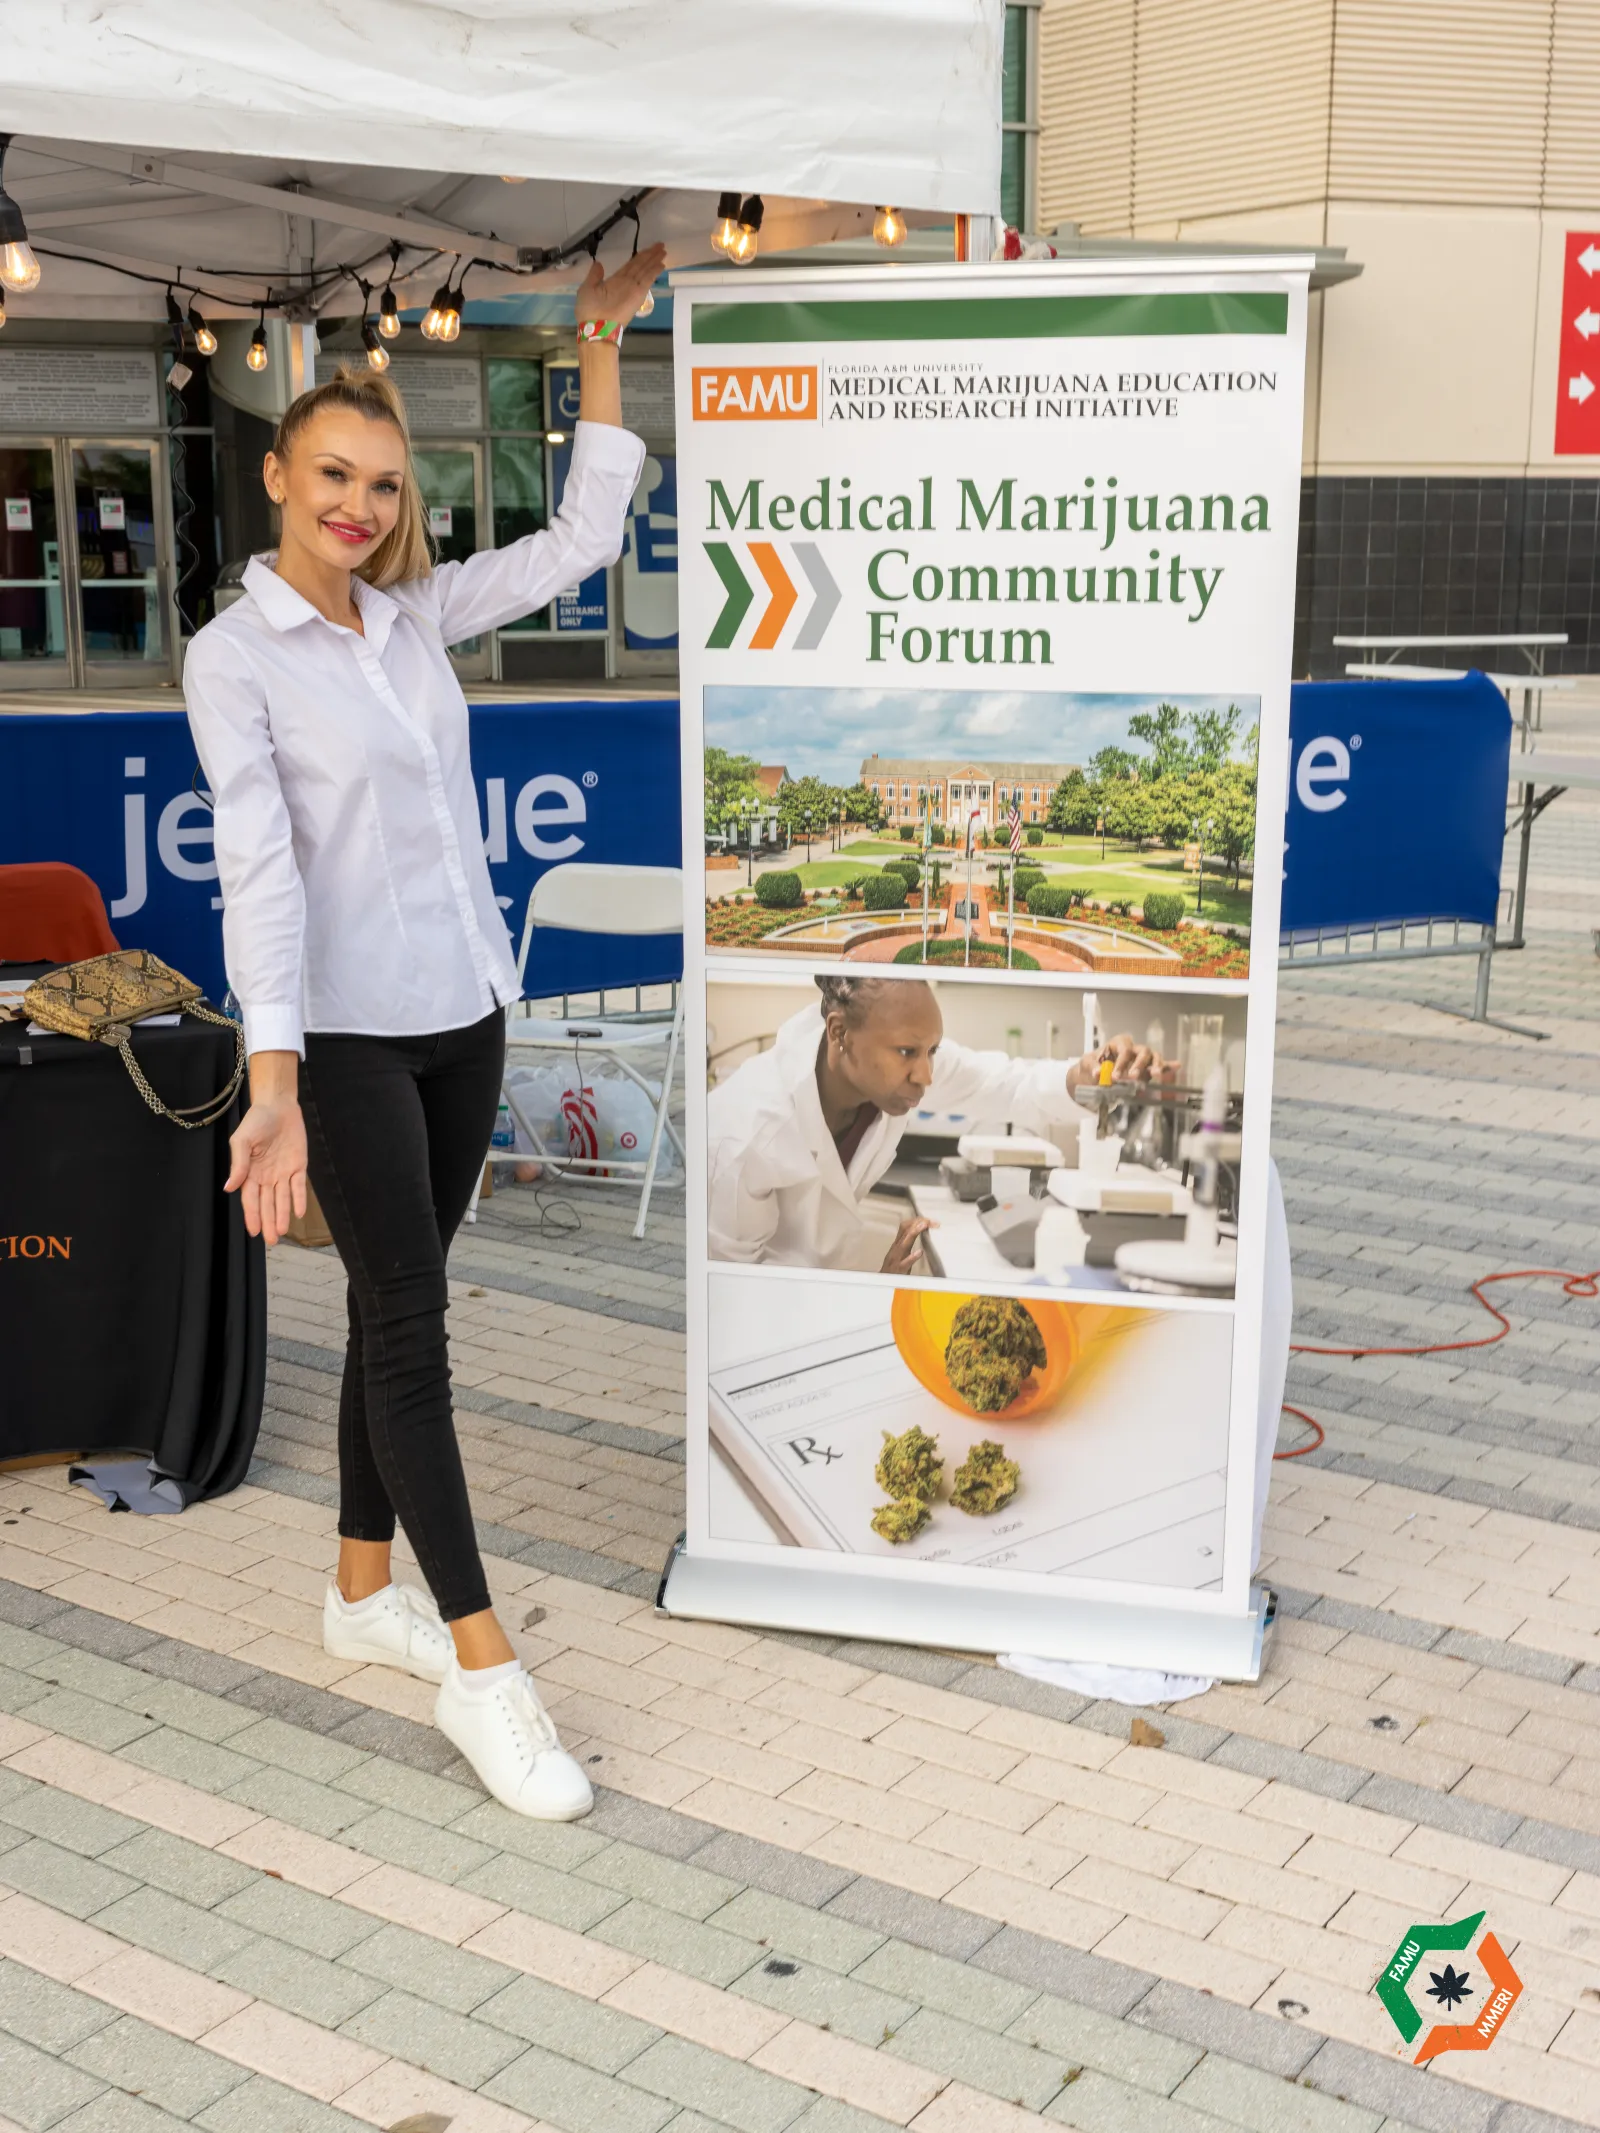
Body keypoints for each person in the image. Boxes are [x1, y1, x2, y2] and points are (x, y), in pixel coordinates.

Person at [183, 240, 665, 1822]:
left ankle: (353, 1587)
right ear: (276, 474)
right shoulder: (235, 657)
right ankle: (481, 1666)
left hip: (464, 1011)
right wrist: (274, 1087)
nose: (361, 509)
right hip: (344, 1035)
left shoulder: (411, 619)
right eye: (334, 476)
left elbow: (587, 535)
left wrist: (598, 348)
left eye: (384, 485)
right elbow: (259, 877)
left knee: (408, 1297)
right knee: (414, 1332)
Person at [707, 973, 1166, 1272]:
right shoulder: (744, 1136)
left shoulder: (882, 1071)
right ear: (838, 1032)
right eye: (908, 1053)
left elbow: (1005, 1083)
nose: (925, 1075)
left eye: (933, 1051)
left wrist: (1081, 1076)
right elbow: (734, 1299)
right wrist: (869, 1292)